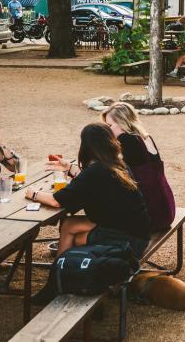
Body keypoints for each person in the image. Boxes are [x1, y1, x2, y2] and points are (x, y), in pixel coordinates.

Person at [28, 123, 151, 304]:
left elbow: (56, 201)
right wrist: (69, 168)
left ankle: (56, 283)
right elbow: (90, 179)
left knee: (75, 239)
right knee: (69, 225)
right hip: (136, 232)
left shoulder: (95, 171)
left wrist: (33, 193)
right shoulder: (117, 164)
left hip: (126, 241)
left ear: (86, 146)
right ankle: (56, 279)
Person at [99, 103, 175, 231]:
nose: (108, 130)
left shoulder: (126, 140)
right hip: (165, 207)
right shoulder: (144, 137)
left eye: (110, 125)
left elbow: (113, 175)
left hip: (151, 215)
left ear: (123, 122)